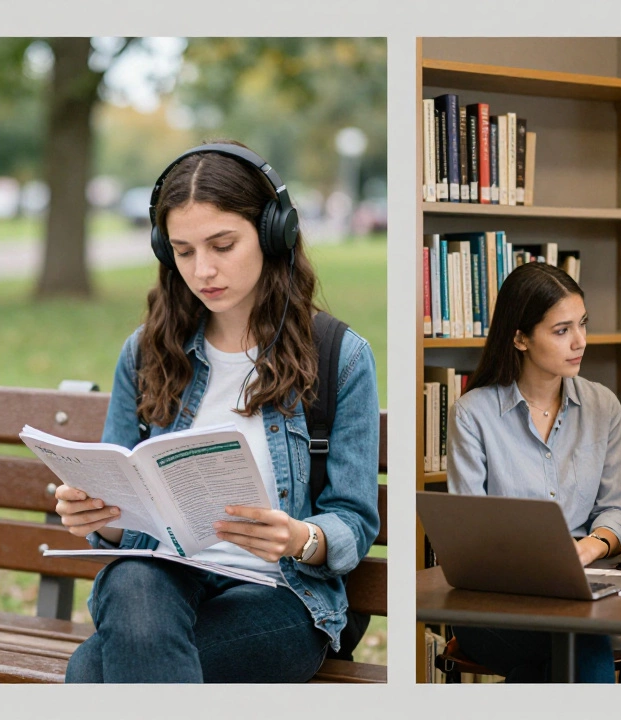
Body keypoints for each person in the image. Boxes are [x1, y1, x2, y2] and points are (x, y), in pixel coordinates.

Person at [53, 142, 380, 683]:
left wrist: (301, 538)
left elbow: (353, 518)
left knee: (93, 671)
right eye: (183, 251)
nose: (203, 270)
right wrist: (99, 518)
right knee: (133, 581)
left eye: (222, 245)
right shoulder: (146, 351)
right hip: (158, 589)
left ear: (273, 234)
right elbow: (126, 509)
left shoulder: (339, 356)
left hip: (279, 596)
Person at [445, 261, 621, 683]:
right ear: (519, 337)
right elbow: (468, 533)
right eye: (562, 330)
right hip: (494, 604)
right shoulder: (473, 415)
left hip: (582, 593)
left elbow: (618, 510)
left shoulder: (604, 407)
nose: (580, 341)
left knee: (566, 650)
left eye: (582, 324)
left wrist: (589, 547)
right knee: (579, 646)